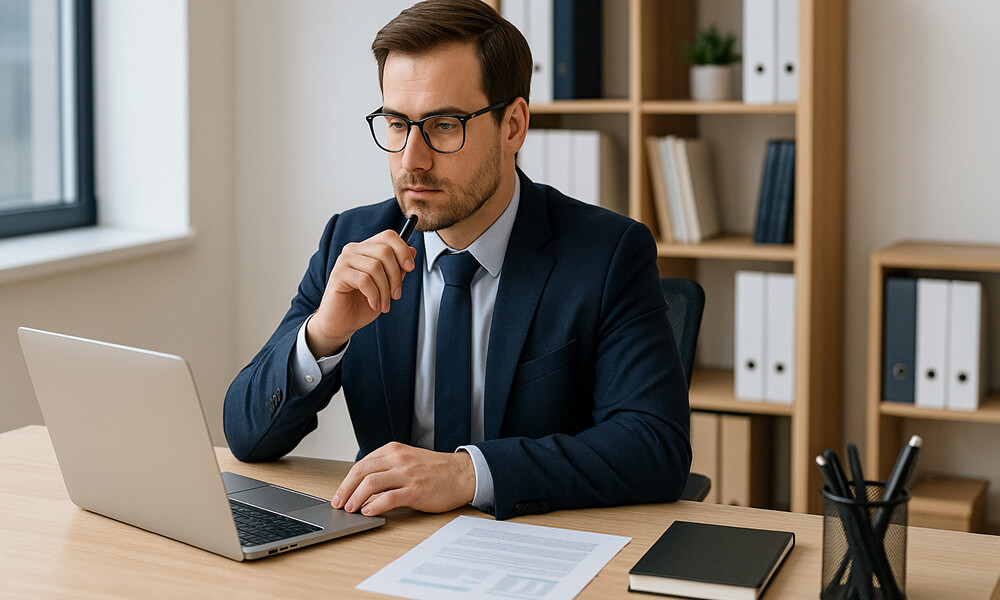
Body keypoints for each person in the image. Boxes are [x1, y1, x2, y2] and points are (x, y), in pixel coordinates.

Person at [224, 0, 690, 521]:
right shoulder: (351, 240)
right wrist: (322, 336)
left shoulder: (607, 253)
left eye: (444, 125)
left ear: (513, 125)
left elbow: (654, 445)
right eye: (397, 124)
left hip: (537, 544)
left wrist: (467, 473)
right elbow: (246, 434)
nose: (411, 160)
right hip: (382, 546)